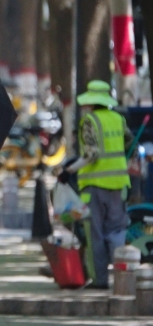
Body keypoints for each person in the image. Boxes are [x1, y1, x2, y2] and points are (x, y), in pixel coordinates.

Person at [58, 80, 132, 289]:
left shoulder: (89, 121)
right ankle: (122, 278)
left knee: (95, 234)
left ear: (90, 102)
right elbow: (128, 143)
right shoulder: (118, 119)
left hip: (94, 186)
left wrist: (69, 170)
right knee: (117, 232)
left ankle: (100, 280)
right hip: (118, 184)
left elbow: (91, 154)